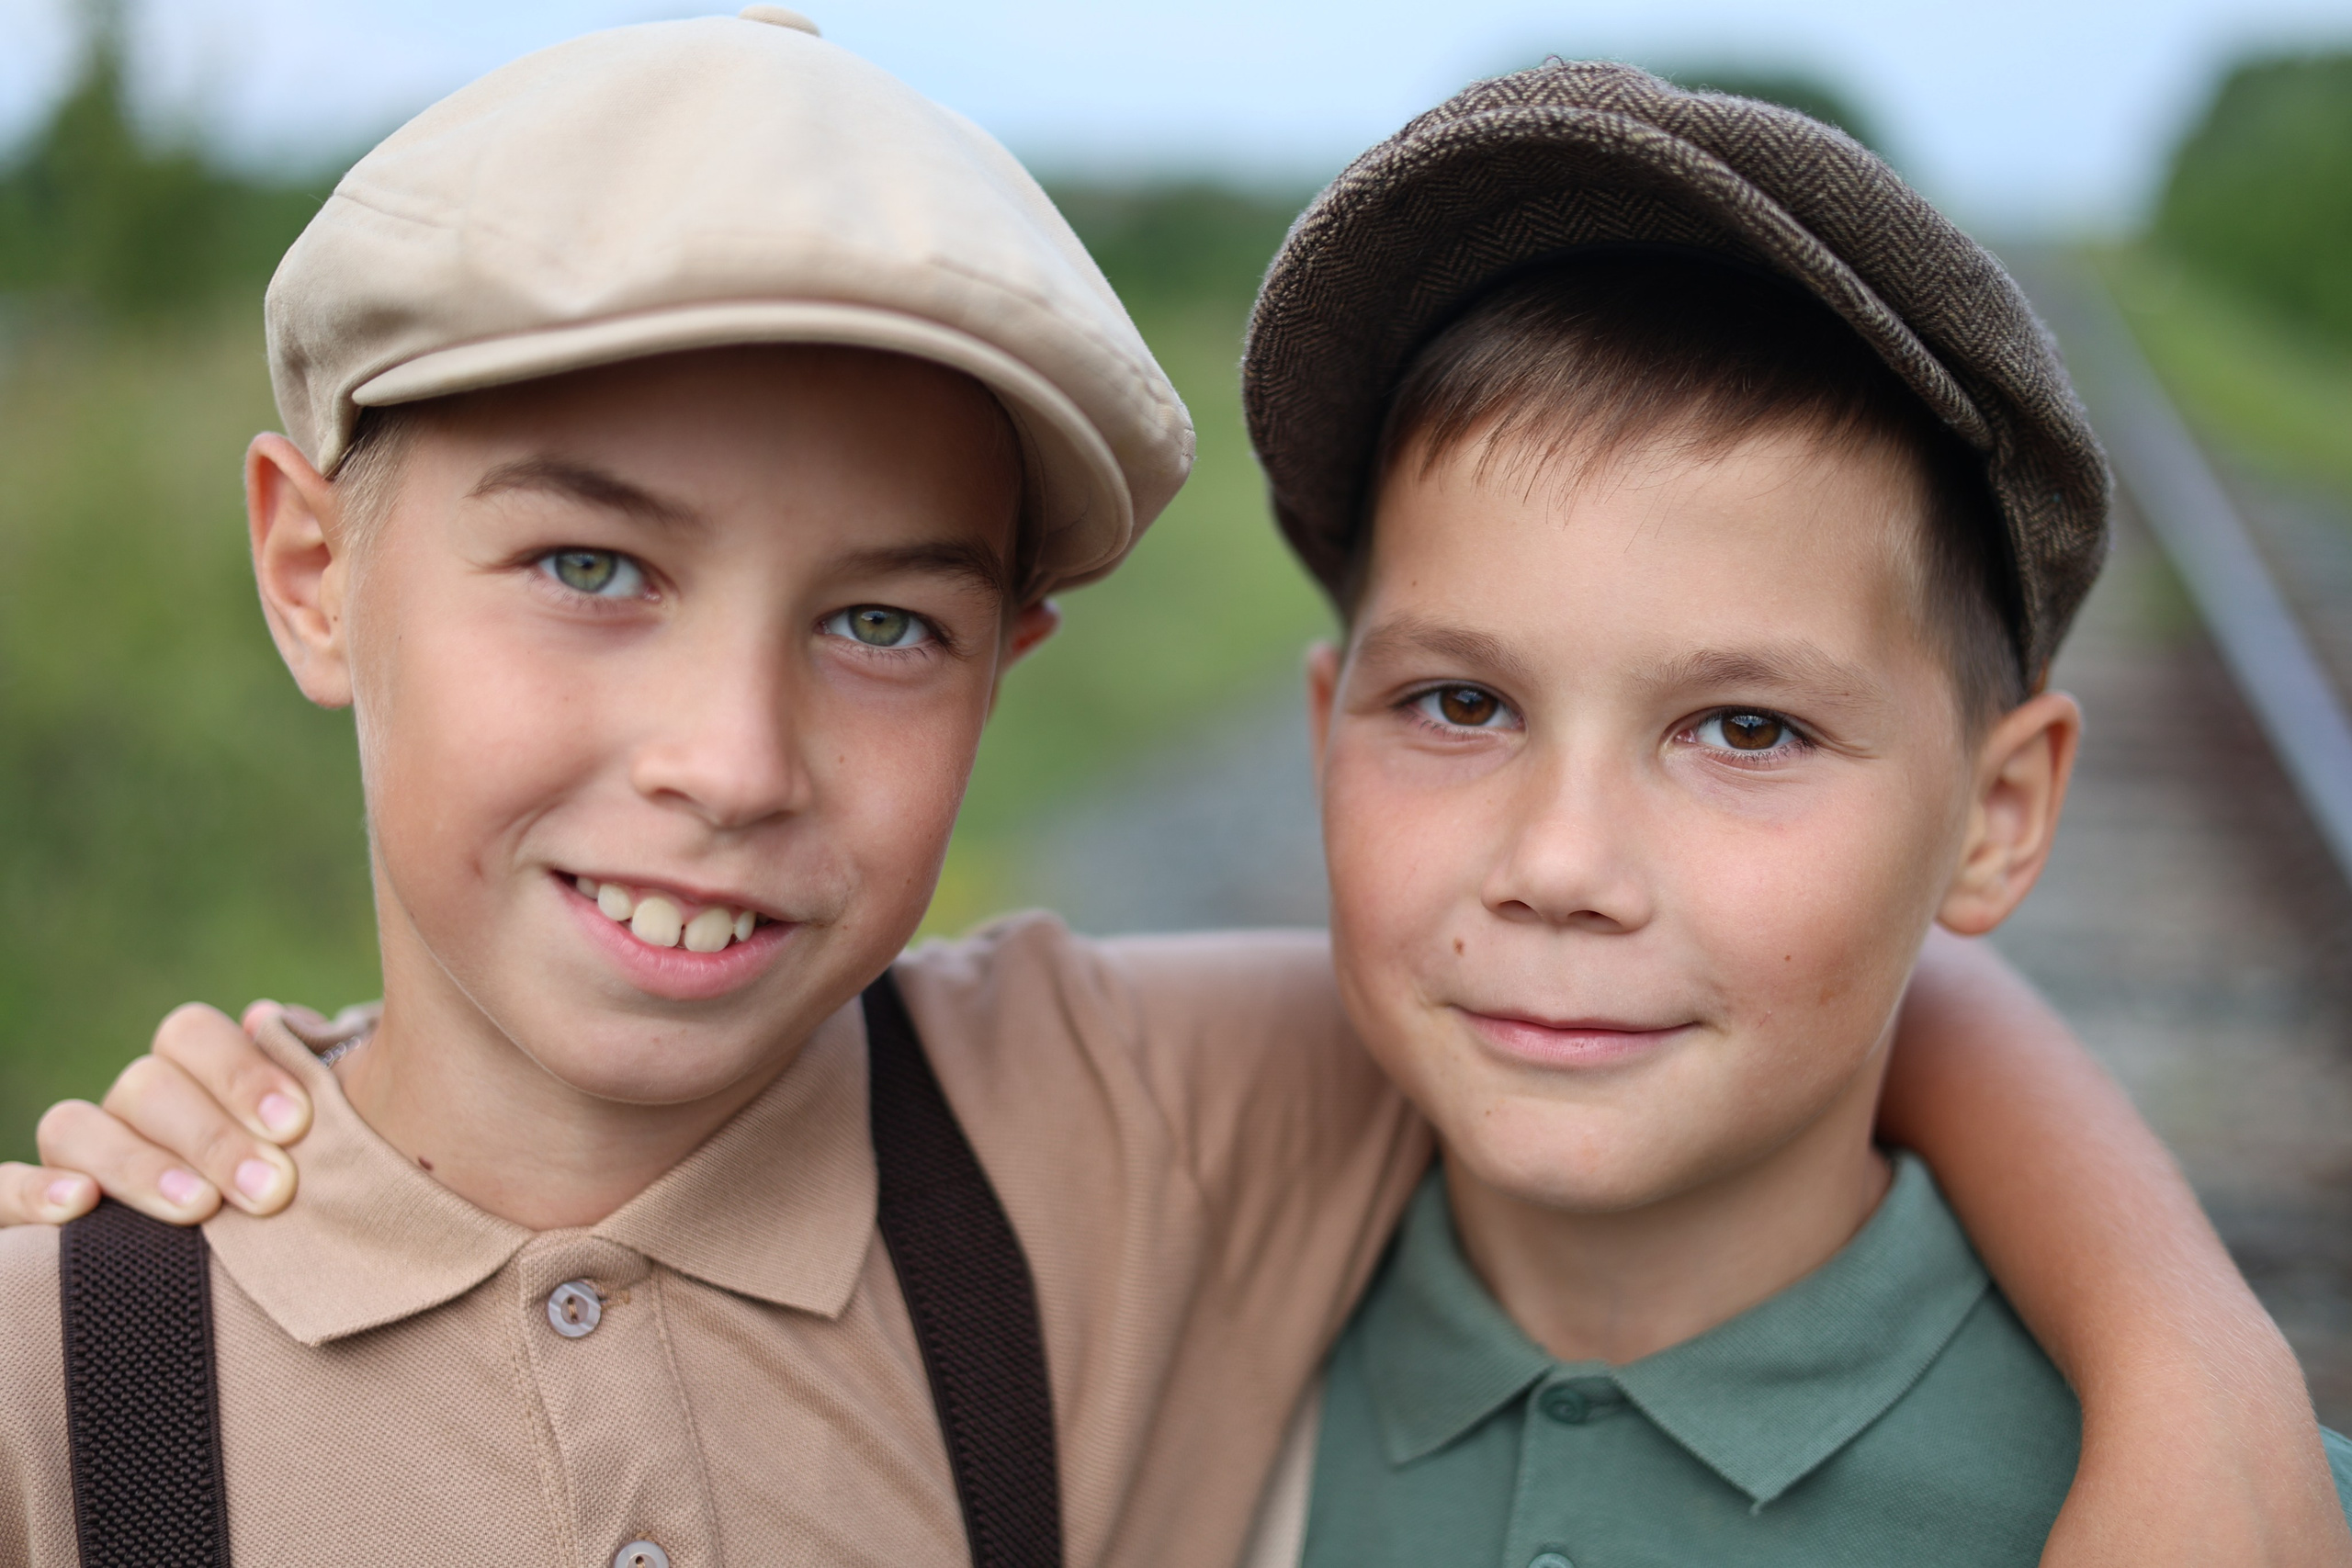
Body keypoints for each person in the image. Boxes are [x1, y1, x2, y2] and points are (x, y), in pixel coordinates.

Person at [3, 20, 2346, 1568]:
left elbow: (1803, 1001)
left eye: (880, 621)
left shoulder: (1101, 1130)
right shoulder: (67, 1375)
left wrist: (2190, 1380)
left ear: (1006, 661)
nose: (722, 758)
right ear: (314, 569)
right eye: (591, 565)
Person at [1228, 63, 2352, 1567]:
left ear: (1997, 817)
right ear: (1324, 737)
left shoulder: (2232, 1508)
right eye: (1461, 704)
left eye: (1746, 729)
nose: (1560, 866)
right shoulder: (1157, 1357)